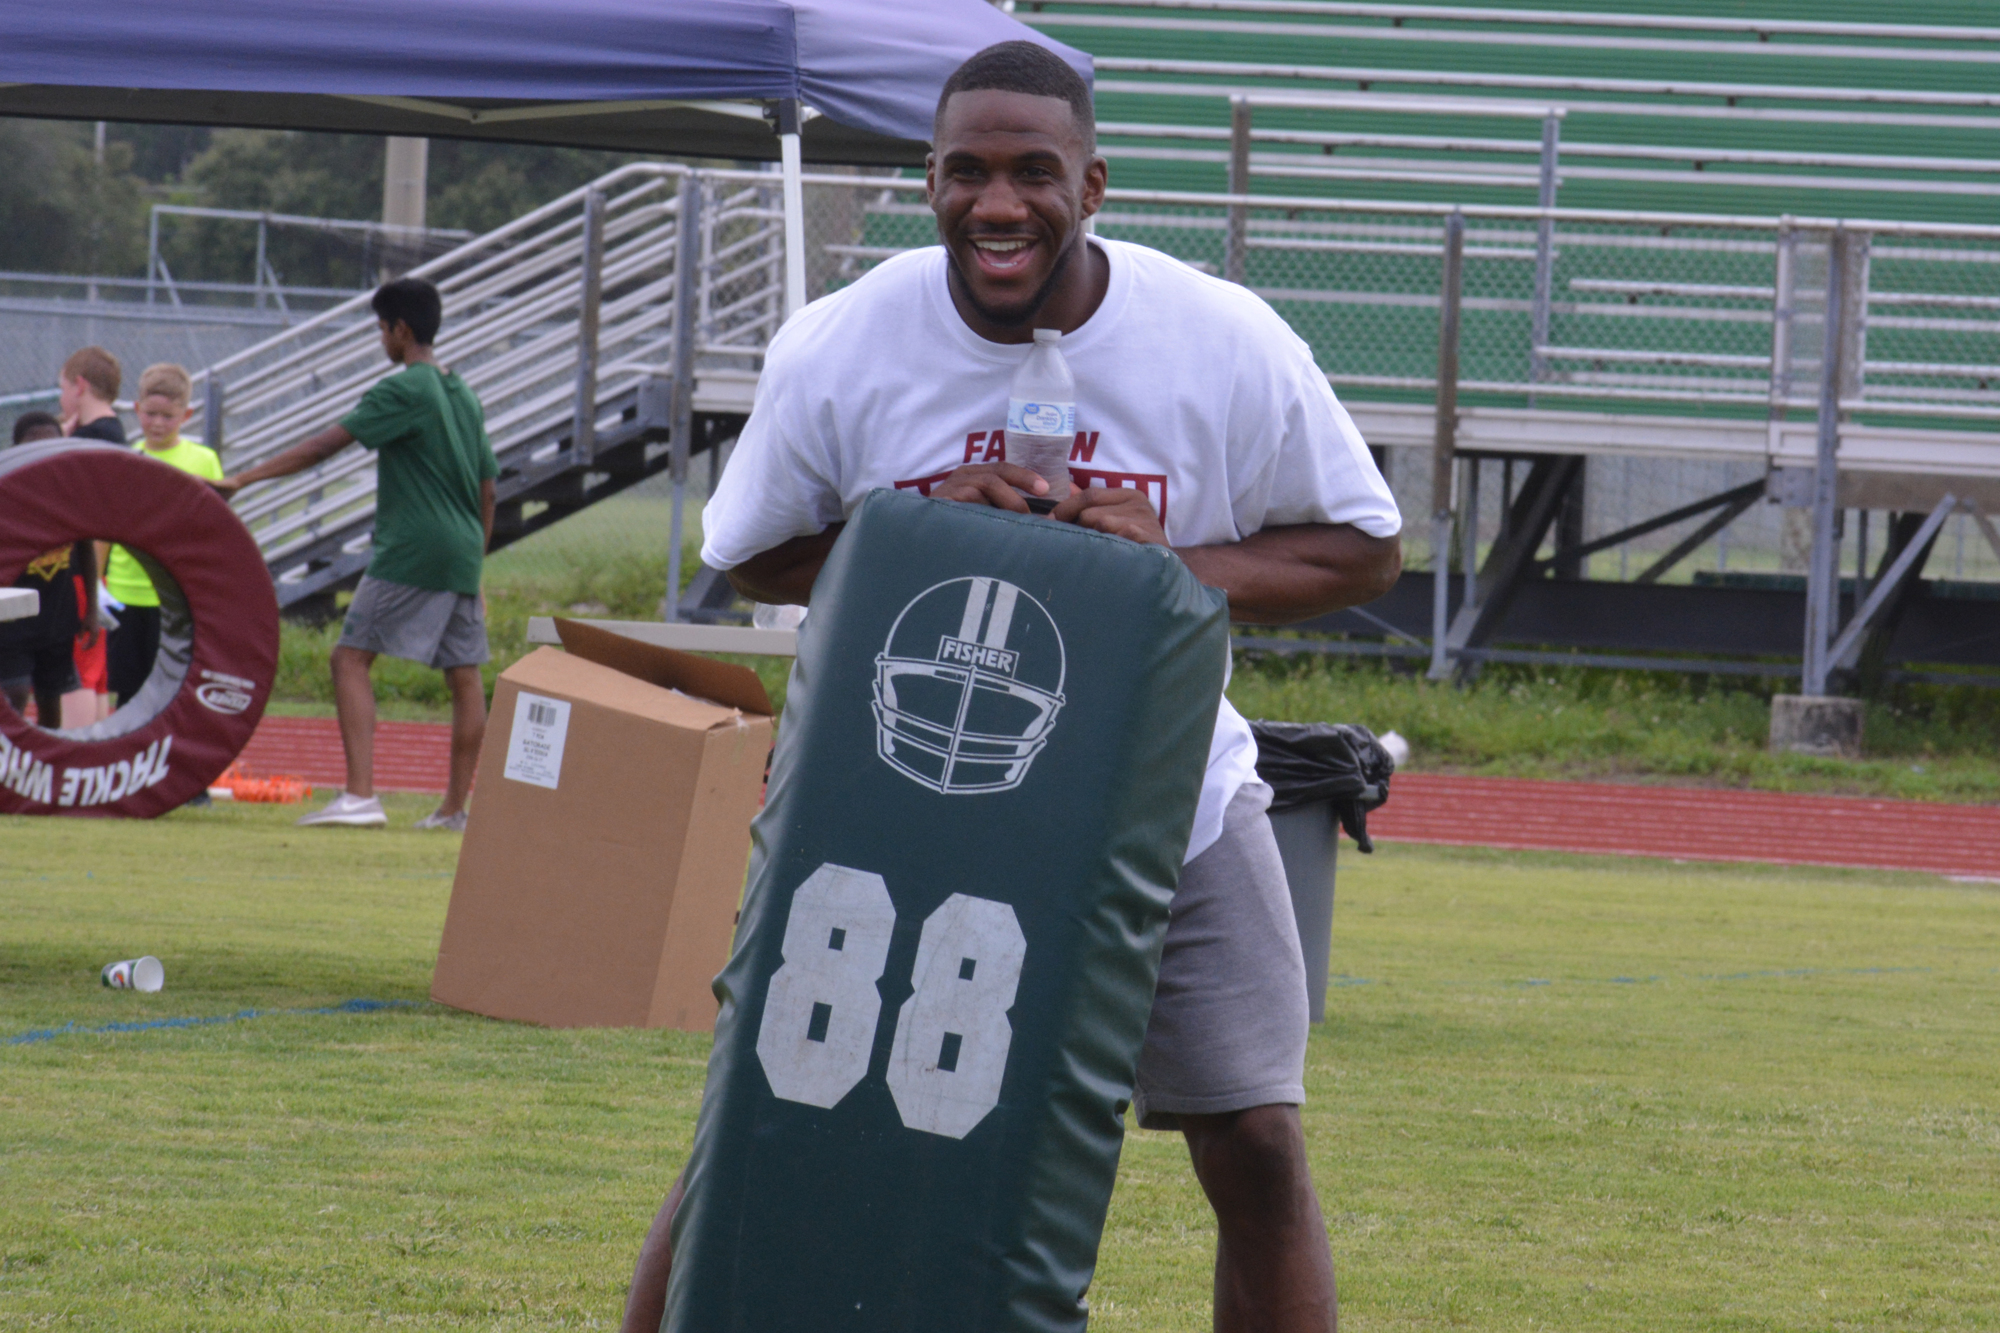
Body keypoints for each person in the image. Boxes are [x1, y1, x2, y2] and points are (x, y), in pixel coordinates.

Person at [620, 42, 1402, 1333]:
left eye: (1033, 172)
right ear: (927, 180)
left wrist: (1169, 565)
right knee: (761, 1118)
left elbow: (1361, 546)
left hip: (1169, 794)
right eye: (966, 171)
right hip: (889, 794)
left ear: (1093, 184)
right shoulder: (844, 342)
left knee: (1258, 1140)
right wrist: (912, 526)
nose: (998, 202)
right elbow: (749, 547)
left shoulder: (1218, 337)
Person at [215, 277, 497, 832]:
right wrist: (477, 562)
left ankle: (360, 797)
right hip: (464, 548)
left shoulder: (404, 389)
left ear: (402, 330)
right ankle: (453, 810)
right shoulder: (462, 393)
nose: (380, 339)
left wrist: (245, 478)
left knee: (350, 658)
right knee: (465, 678)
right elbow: (489, 487)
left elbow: (325, 445)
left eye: (380, 328)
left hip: (413, 548)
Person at [96, 363, 223, 706]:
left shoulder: (204, 460)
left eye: (168, 416)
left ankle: (162, 760)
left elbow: (214, 531)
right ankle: (128, 759)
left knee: (173, 692)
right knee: (127, 692)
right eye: (150, 414)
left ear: (187, 414)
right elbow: (104, 530)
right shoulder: (126, 459)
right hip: (126, 592)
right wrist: (97, 583)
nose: (157, 423)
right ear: (137, 410)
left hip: (176, 598)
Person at [1, 411, 96, 727]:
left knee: (50, 697)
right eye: (33, 445)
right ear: (16, 450)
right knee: (14, 692)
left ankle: (45, 770)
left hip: (57, 614)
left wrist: (92, 609)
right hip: (12, 619)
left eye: (51, 445)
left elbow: (86, 548)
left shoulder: (71, 495)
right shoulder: (10, 495)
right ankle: (8, 766)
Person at [58, 346, 127, 444]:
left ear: (79, 386)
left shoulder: (82, 442)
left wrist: (59, 442)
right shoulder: (117, 433)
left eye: (63, 389)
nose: (61, 399)